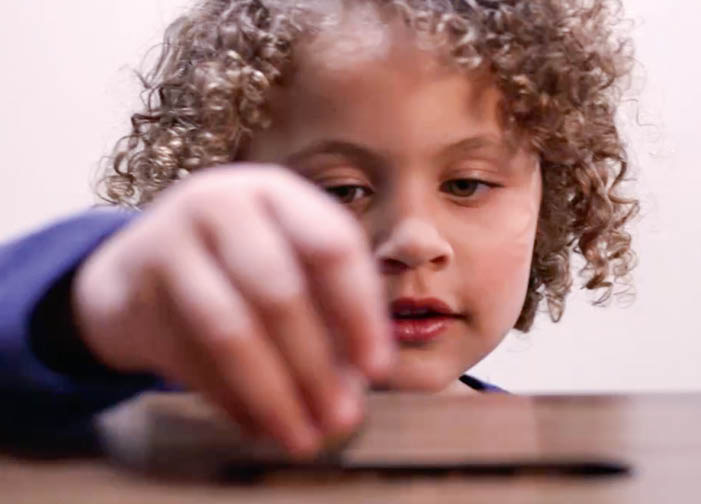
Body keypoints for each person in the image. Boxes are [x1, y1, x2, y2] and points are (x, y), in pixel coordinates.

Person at [0, 0, 638, 456]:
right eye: (341, 191)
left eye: (466, 185)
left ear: (550, 200)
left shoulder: (547, 458)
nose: (414, 240)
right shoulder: (152, 419)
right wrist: (92, 304)